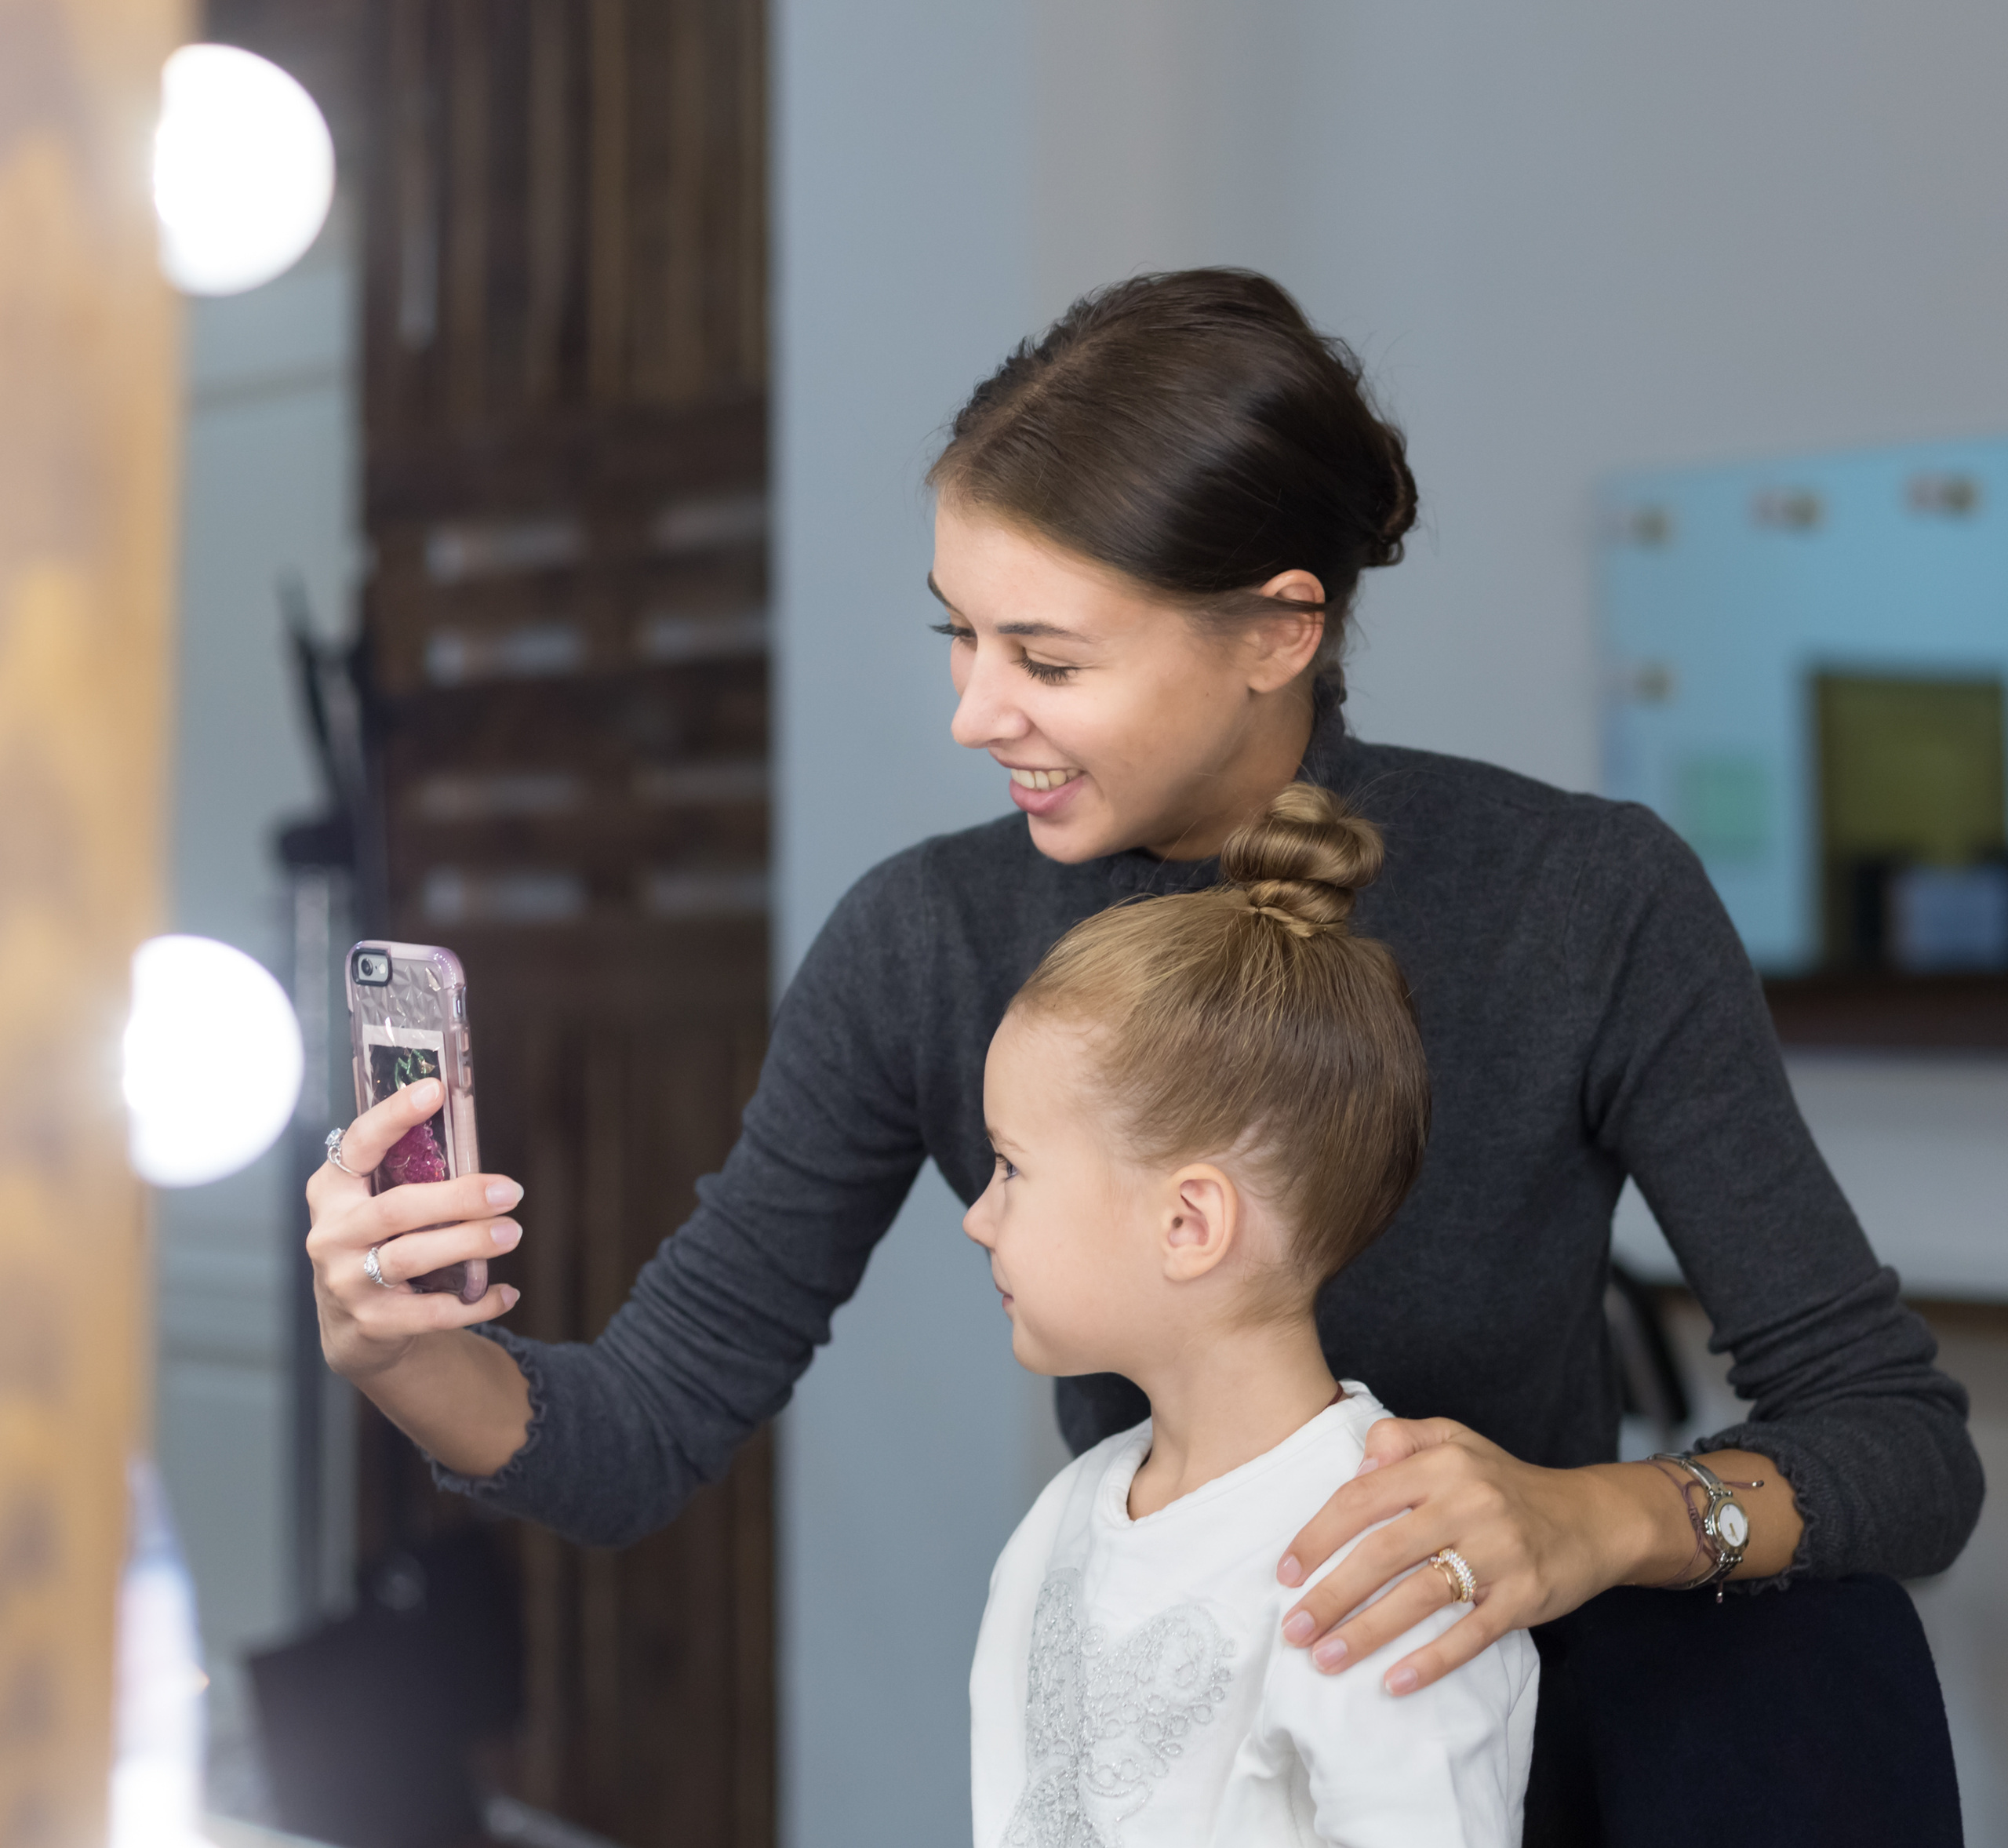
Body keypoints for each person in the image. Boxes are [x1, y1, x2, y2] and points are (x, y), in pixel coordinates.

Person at [307, 270, 1979, 1838]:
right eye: (956, 633)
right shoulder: (929, 941)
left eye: (1044, 657)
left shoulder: (1582, 899)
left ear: (1277, 628)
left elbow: (1898, 1449)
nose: (973, 711)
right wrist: (403, 1349)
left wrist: (1586, 1516)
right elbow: (640, 1431)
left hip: (1533, 1741)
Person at [966, 780, 1538, 1846]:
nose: (976, 1218)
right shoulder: (1065, 1522)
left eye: (1009, 1170)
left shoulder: (1386, 1562)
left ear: (1191, 1223)